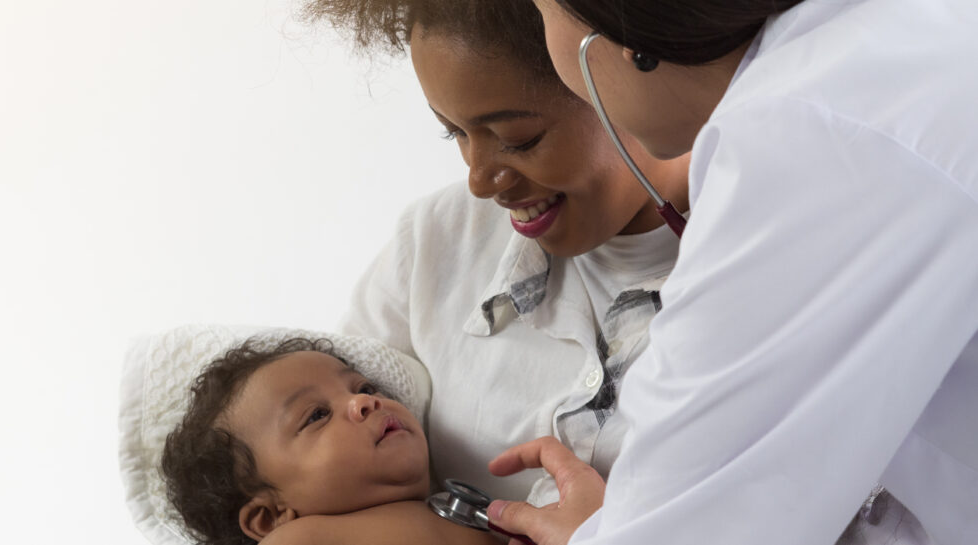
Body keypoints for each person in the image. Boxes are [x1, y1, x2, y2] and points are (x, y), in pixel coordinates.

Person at [484, 1, 978, 544]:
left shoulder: (799, 140)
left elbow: (690, 522)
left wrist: (605, 532)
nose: (481, 181)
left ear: (620, 30)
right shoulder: (882, 41)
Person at [302, 0, 689, 505]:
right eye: (456, 132)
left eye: (519, 139)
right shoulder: (436, 240)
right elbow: (300, 455)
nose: (480, 181)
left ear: (635, 76)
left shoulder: (769, 264)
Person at [159, 336, 500, 545]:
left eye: (363, 388)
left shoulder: (454, 508)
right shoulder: (301, 539)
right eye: (317, 415)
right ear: (269, 516)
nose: (365, 402)